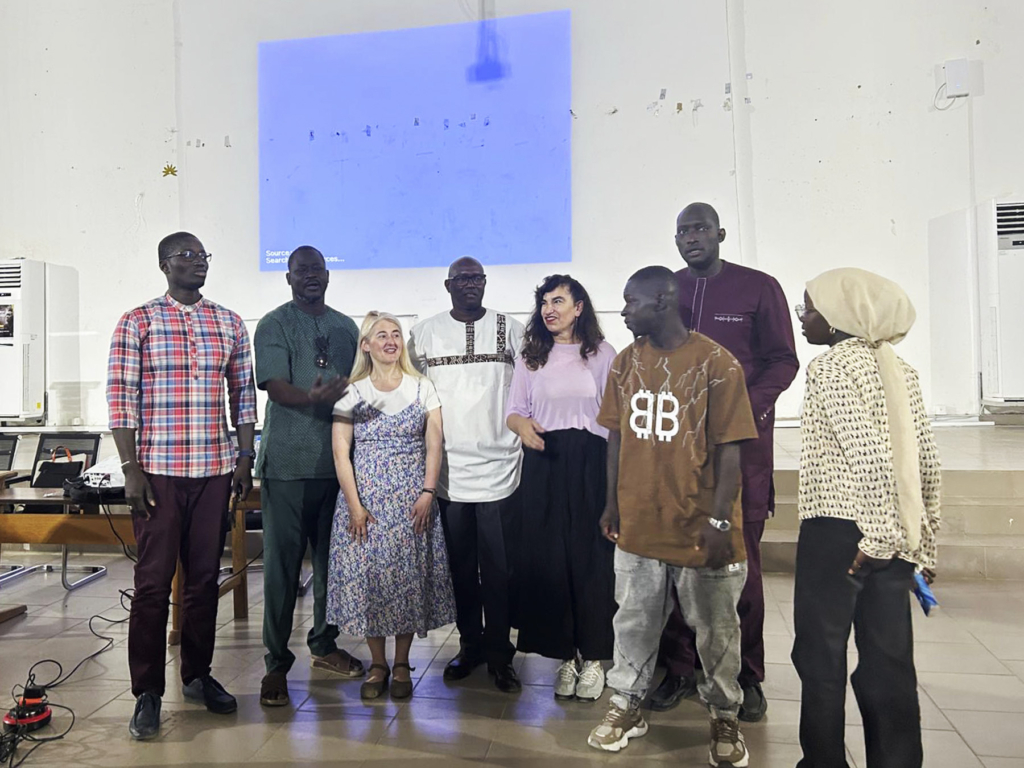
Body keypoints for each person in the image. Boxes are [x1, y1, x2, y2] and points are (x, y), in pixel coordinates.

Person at [588, 266, 757, 767]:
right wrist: (613, 503)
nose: (622, 311)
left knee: (717, 632)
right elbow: (616, 437)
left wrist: (722, 520)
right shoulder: (625, 362)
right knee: (633, 623)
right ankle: (627, 705)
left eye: (630, 301)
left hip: (701, 528)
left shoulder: (717, 364)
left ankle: (725, 715)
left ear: (662, 301)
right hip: (640, 523)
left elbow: (730, 450)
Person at [107, 232, 258, 740]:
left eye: (203, 256)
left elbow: (243, 397)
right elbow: (121, 397)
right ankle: (147, 692)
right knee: (151, 586)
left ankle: (196, 675)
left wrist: (244, 455)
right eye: (186, 256)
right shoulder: (138, 321)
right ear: (163, 265)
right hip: (157, 473)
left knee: (201, 583)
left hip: (214, 470)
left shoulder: (230, 322)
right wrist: (130, 467)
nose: (197, 263)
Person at [655, 201, 799, 722]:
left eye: (698, 228)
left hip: (741, 450)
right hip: (674, 451)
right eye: (682, 231)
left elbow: (784, 359)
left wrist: (746, 408)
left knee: (742, 566)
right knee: (674, 560)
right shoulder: (664, 288)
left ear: (719, 233)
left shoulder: (759, 287)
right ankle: (677, 670)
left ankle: (746, 675)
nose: (690, 237)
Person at [792, 268, 941, 768]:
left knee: (821, 659)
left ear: (839, 317)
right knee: (888, 663)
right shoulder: (903, 371)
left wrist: (875, 539)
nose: (803, 318)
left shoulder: (830, 369)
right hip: (897, 534)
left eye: (809, 307)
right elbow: (925, 465)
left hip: (841, 535)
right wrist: (919, 544)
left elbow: (871, 457)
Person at [253, 245, 366, 707]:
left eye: (318, 269)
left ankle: (324, 644)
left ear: (327, 274)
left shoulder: (345, 327)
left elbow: (359, 384)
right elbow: (276, 387)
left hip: (337, 467)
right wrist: (312, 397)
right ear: (289, 278)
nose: (311, 277)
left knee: (330, 566)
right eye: (302, 271)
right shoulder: (274, 323)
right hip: (287, 466)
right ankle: (276, 666)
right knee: (282, 568)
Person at [408, 257, 525, 693]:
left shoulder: (511, 329)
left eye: (477, 278)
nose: (471, 285)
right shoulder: (425, 333)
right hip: (448, 474)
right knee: (460, 568)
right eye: (463, 279)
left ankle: (500, 653)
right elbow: (410, 390)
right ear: (448, 285)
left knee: (499, 570)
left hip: (502, 469)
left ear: (485, 282)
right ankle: (470, 646)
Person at [327, 312, 456, 701]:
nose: (391, 340)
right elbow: (340, 451)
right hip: (364, 500)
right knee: (370, 580)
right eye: (381, 335)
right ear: (365, 345)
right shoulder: (351, 392)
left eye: (395, 334)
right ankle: (378, 663)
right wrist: (354, 506)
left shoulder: (423, 387)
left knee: (405, 580)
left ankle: (401, 662)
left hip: (410, 500)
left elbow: (434, 442)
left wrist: (428, 492)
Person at [505, 274, 617, 702]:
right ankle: (565, 655)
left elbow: (615, 419)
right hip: (545, 464)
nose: (549, 309)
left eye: (558, 301)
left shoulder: (602, 354)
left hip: (591, 465)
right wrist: (521, 427)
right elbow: (514, 411)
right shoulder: (531, 356)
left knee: (592, 562)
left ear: (579, 307)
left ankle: (594, 658)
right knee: (551, 561)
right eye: (544, 303)